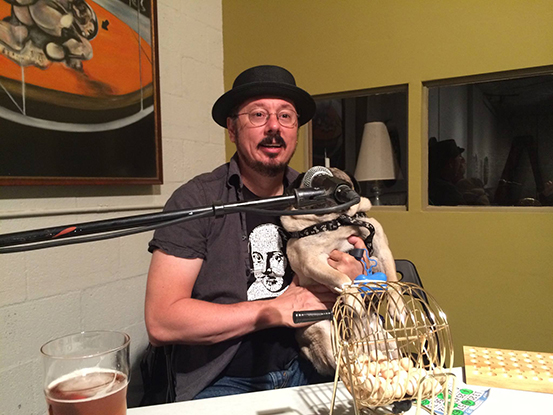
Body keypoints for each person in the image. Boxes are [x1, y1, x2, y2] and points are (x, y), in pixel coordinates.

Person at [144, 65, 366, 401]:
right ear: (232, 129)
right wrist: (274, 310)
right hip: (225, 380)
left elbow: (361, 264)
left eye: (285, 116)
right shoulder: (197, 200)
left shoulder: (319, 195)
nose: (274, 126)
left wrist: (356, 271)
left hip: (313, 364)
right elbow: (162, 321)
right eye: (258, 114)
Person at [428, 137, 490, 206]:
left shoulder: (431, 184)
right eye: (459, 158)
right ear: (451, 163)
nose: (461, 161)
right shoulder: (448, 191)